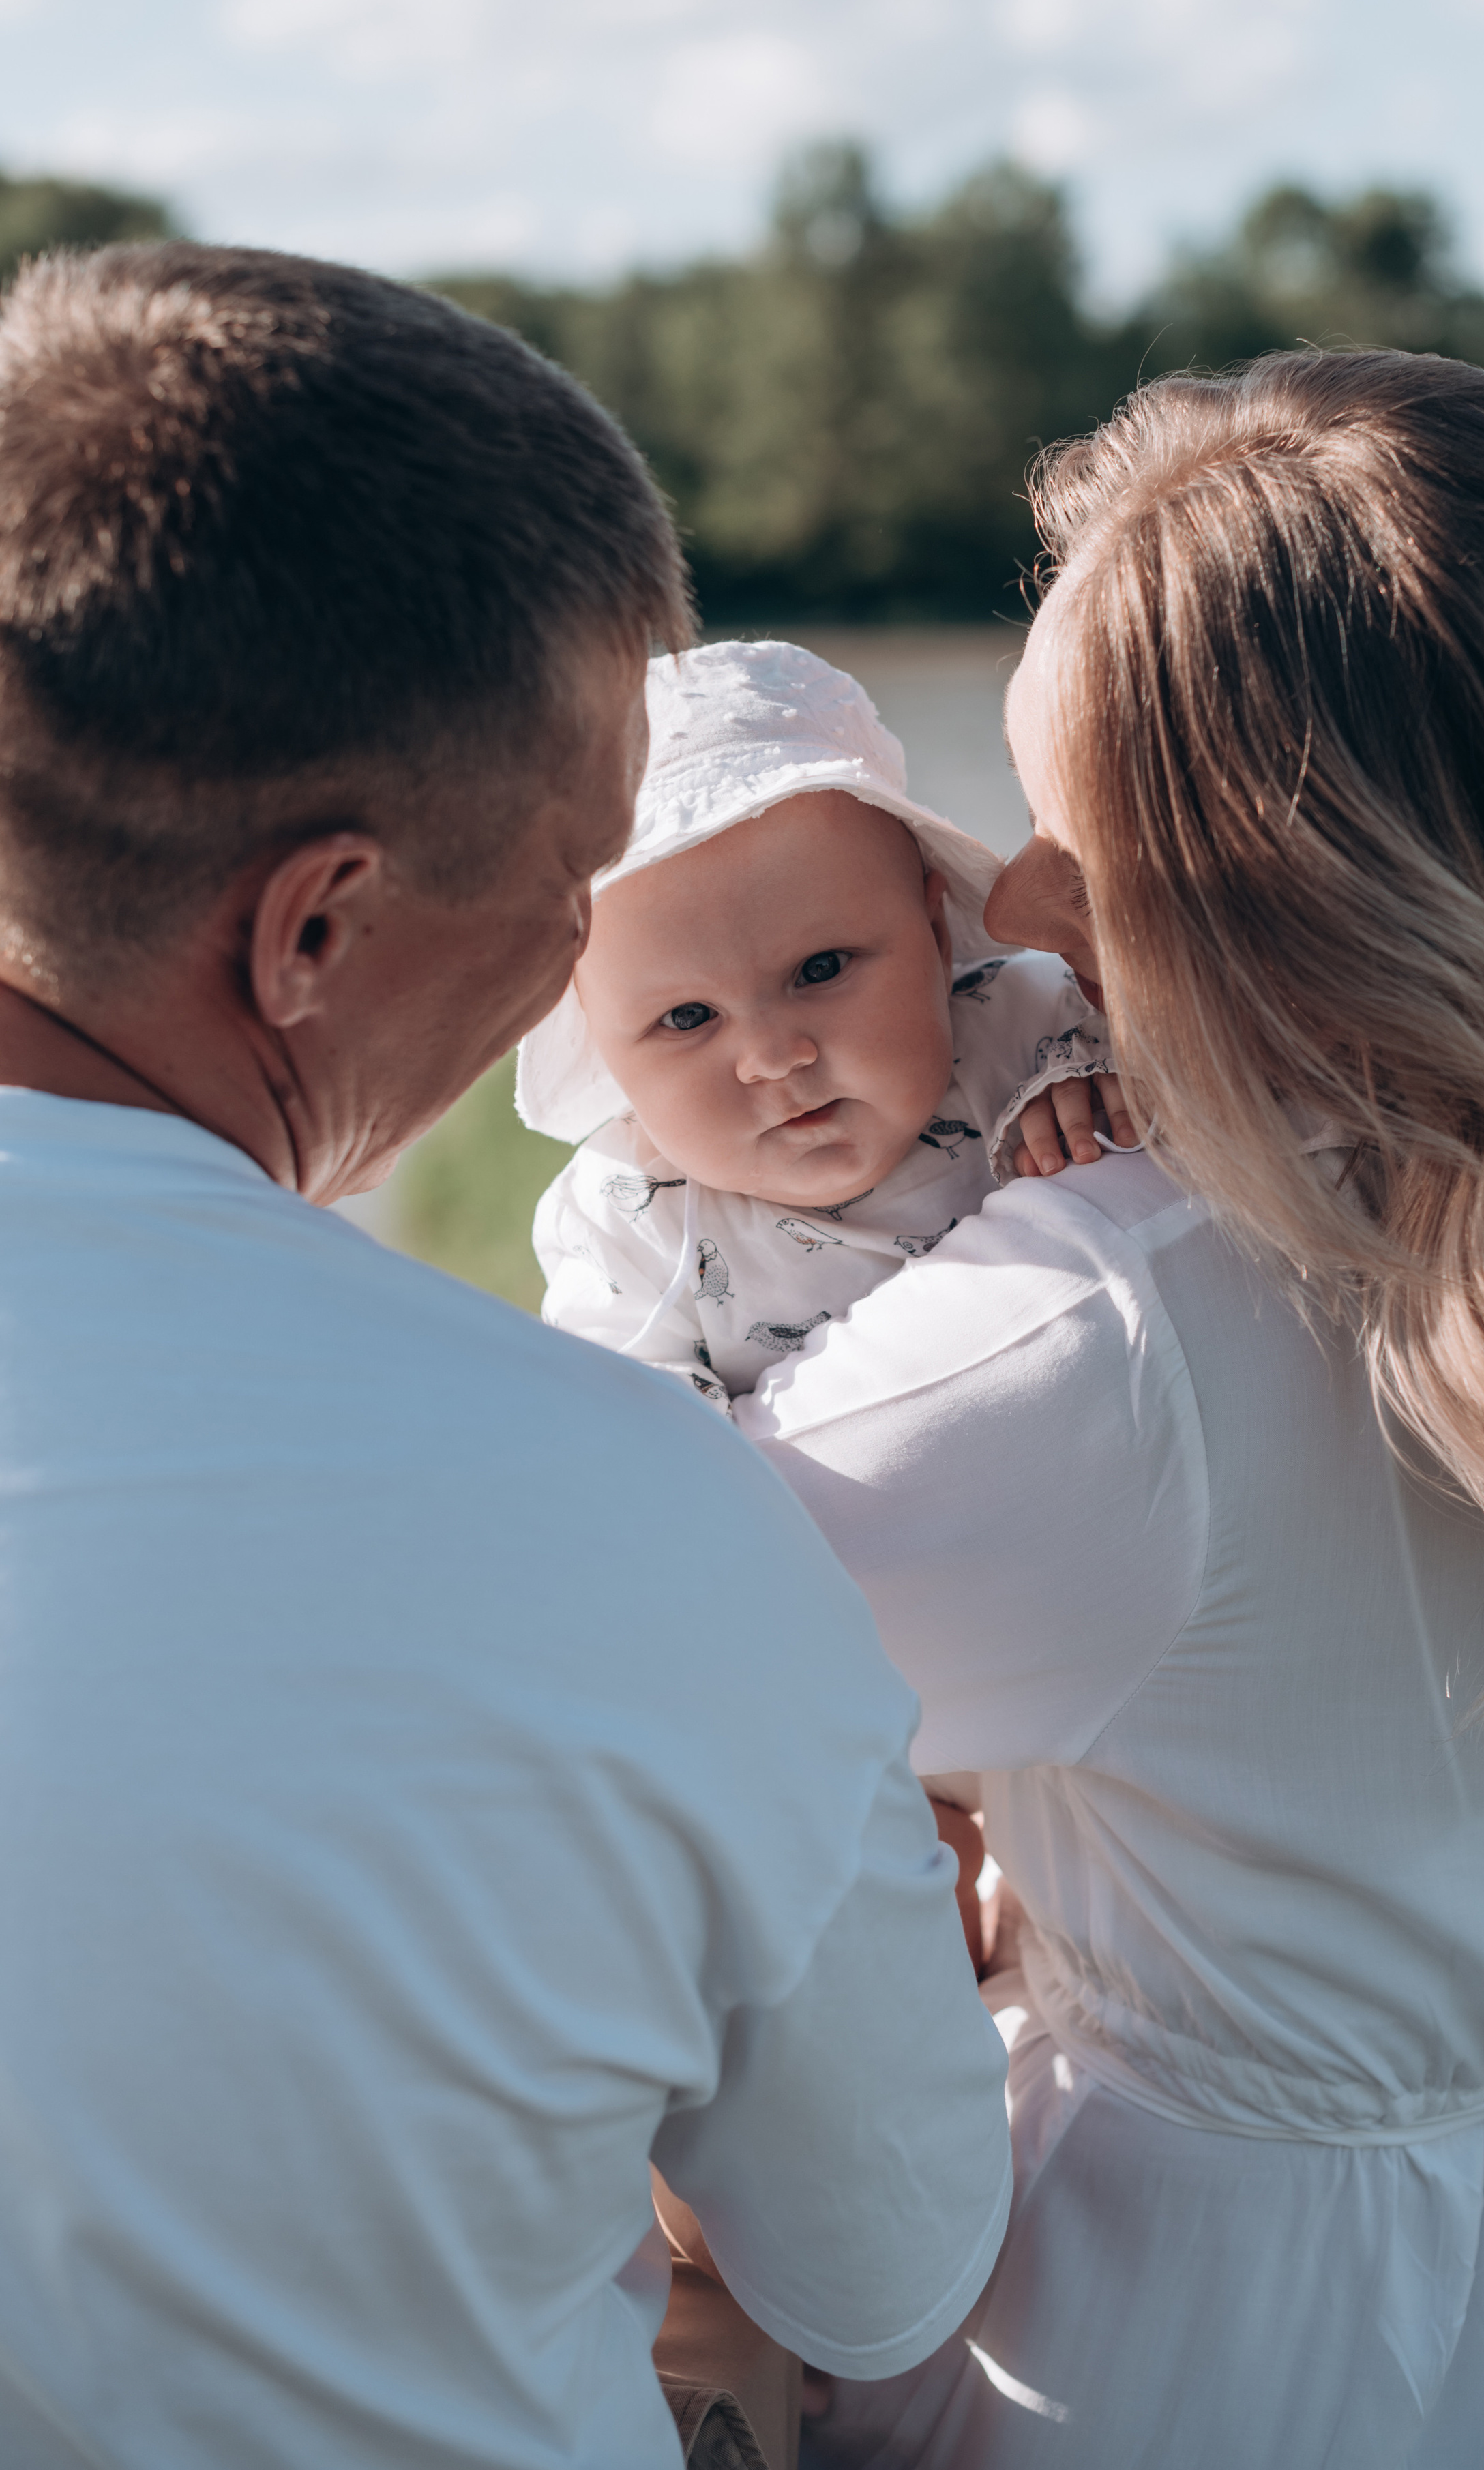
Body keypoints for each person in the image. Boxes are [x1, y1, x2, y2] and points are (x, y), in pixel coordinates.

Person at [0, 243, 1013, 2470]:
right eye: (574, 892)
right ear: (318, 928)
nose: (586, 973)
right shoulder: (645, 1506)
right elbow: (891, 2261)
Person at [739, 349, 1484, 2469]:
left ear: (1288, 907)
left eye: (1080, 860)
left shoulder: (1097, 1338)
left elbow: (616, 1696)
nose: (1008, 914)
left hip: (1183, 2338)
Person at [520, 636, 1130, 1408]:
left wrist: (1109, 1082)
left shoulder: (1034, 1026)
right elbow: (631, 1448)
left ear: (936, 937)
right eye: (687, 1017)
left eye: (820, 969)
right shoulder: (627, 1223)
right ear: (601, 1045)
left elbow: (1215, 1090)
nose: (774, 1057)